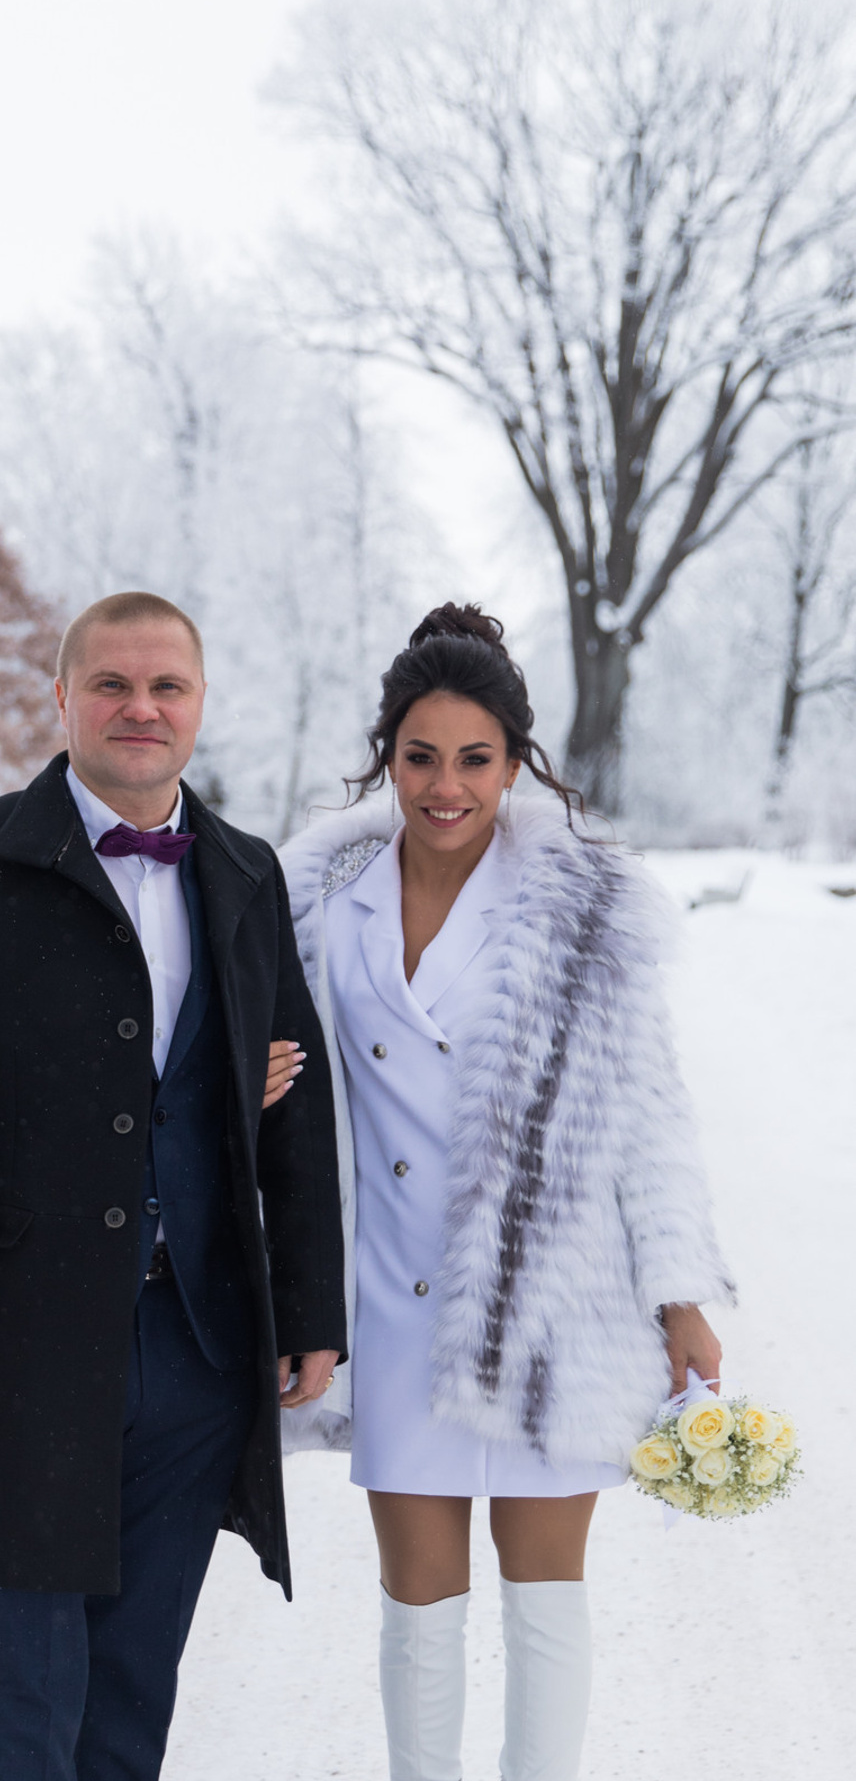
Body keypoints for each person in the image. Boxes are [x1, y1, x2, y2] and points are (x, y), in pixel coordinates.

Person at [0, 591, 347, 1781]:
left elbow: (293, 1107)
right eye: (113, 685)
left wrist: (309, 1311)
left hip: (197, 1344)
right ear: (63, 698)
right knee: (24, 1697)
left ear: (199, 704)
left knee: (135, 1694)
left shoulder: (245, 869)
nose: (142, 709)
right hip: (20, 1339)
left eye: (166, 687)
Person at [278, 604, 734, 1781]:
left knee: (545, 1603)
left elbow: (650, 1110)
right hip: (391, 1297)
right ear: (386, 756)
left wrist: (680, 1293)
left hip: (546, 1304)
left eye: (475, 759)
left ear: (516, 762)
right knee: (418, 1609)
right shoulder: (315, 899)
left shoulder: (585, 906)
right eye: (421, 757)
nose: (447, 787)